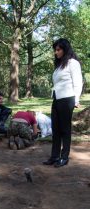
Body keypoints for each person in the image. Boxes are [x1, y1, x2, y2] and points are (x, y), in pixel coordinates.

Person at [43, 38, 83, 167]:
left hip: (67, 99)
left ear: (65, 49)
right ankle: (54, 156)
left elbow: (78, 83)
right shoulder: (59, 65)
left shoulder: (73, 63)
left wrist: (76, 99)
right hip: (56, 99)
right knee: (56, 129)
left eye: (58, 49)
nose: (56, 52)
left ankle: (64, 157)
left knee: (65, 129)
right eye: (55, 50)